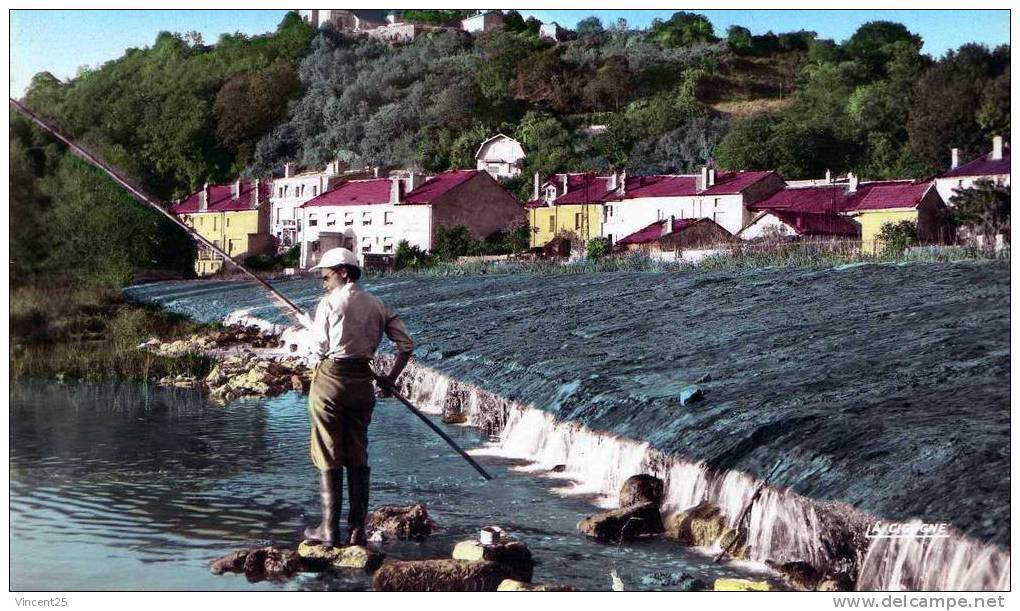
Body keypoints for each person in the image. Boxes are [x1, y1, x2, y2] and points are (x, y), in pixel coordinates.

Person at [301, 247, 415, 547]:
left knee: (328, 451)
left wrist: (309, 328)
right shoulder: (379, 305)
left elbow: (319, 349)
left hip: (330, 380)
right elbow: (406, 346)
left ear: (344, 272)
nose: (323, 284)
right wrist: (390, 380)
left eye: (326, 277)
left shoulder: (328, 304)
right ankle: (357, 531)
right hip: (362, 384)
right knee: (357, 452)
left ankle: (328, 530)